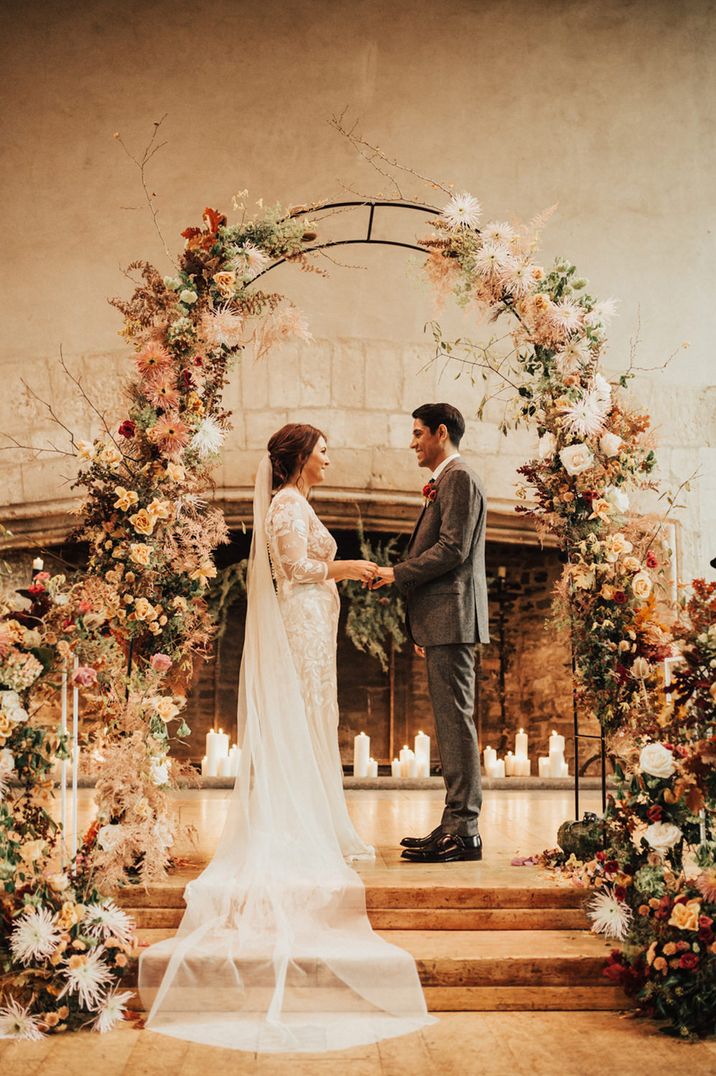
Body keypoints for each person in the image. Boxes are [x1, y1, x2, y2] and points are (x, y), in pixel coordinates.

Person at [139, 423, 434, 1053]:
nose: (331, 456)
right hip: (300, 622)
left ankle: (317, 816)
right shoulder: (285, 506)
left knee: (314, 716)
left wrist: (339, 579)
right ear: (301, 458)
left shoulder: (299, 504)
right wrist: (352, 567)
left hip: (313, 622)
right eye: (324, 449)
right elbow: (296, 568)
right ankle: (297, 821)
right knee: (302, 715)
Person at [371, 403, 489, 863]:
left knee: (456, 723)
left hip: (454, 617)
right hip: (444, 619)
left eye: (419, 433)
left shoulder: (457, 477)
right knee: (450, 721)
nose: (413, 441)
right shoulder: (449, 480)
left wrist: (395, 573)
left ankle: (464, 830)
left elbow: (453, 548)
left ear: (442, 433)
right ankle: (454, 823)